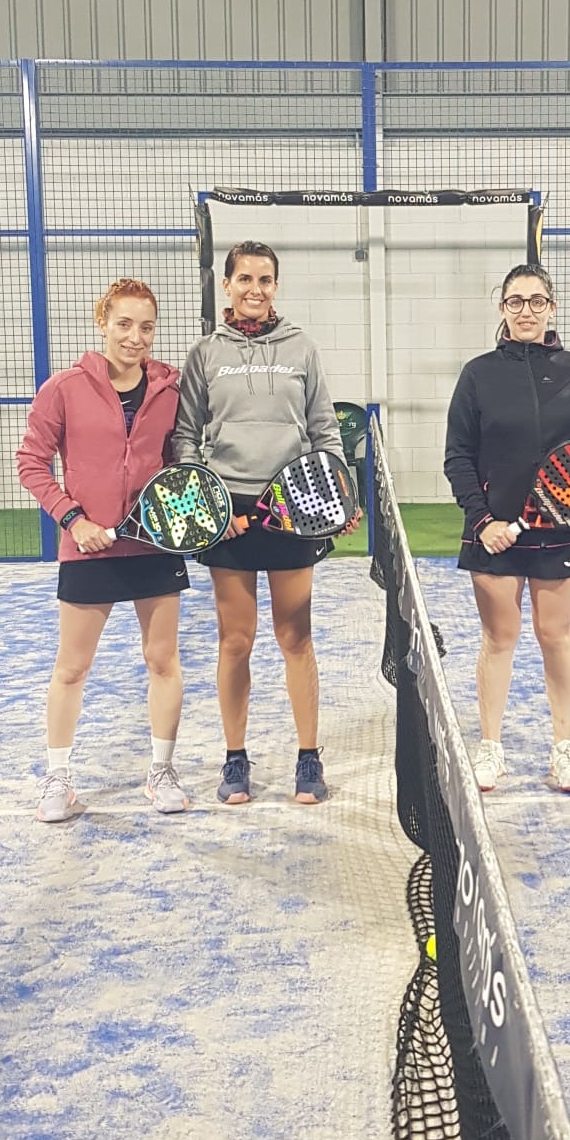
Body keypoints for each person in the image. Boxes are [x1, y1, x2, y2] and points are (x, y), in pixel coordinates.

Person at [174, 241, 347, 806]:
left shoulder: (301, 347)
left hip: (293, 504)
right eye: (244, 278)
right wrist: (208, 503)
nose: (255, 289)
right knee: (236, 639)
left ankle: (308, 757)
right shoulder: (205, 353)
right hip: (229, 510)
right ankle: (234, 758)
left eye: (265, 279)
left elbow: (323, 428)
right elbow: (185, 435)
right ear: (227, 285)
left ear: (276, 285)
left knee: (295, 637)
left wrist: (335, 493)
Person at [16, 278, 190, 822]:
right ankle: (58, 780)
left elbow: (181, 464)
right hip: (88, 550)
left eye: (146, 327)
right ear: (102, 323)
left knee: (163, 661)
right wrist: (74, 519)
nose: (135, 337)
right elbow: (31, 463)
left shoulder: (173, 391)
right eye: (124, 324)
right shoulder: (64, 389)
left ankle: (161, 771)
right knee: (72, 668)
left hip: (155, 547)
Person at [443, 262, 570, 794]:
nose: (527, 311)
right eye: (516, 301)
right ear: (503, 309)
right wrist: (483, 520)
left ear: (551, 308)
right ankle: (491, 747)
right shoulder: (478, 374)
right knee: (499, 638)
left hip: (560, 532)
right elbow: (458, 456)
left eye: (537, 301)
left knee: (555, 636)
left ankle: (563, 749)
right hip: (493, 535)